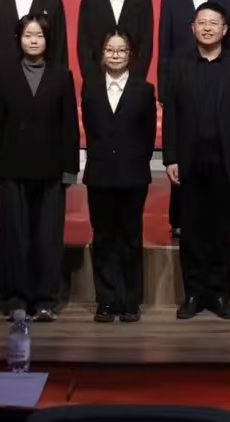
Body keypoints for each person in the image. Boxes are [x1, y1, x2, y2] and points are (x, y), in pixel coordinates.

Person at [162, 3, 230, 320]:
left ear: (224, 30)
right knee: (190, 232)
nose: (207, 28)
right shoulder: (178, 65)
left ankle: (218, 294)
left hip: (225, 161)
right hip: (188, 162)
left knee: (220, 230)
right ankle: (192, 294)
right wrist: (171, 157)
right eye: (201, 22)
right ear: (192, 27)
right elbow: (171, 116)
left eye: (214, 23)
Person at [0, 15, 79, 322]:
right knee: (15, 236)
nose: (34, 40)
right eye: (28, 35)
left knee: (48, 237)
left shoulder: (61, 76)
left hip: (51, 170)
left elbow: (69, 127)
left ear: (48, 40)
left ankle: (45, 300)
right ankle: (16, 299)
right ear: (19, 39)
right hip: (12, 168)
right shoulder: (4, 74)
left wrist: (69, 169)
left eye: (39, 35)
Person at [160, 0, 230, 241]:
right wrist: (165, 92)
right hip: (182, 86)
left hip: (220, 85)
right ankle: (179, 220)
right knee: (182, 157)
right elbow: (165, 48)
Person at [83, 31, 157, 323]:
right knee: (103, 237)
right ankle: (106, 300)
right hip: (100, 173)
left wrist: (134, 161)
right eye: (110, 50)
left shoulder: (144, 89)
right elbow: (91, 129)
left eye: (121, 50)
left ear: (130, 55)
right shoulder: (90, 87)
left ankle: (129, 301)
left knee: (130, 237)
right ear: (102, 54)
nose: (115, 55)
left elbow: (148, 135)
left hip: (132, 174)